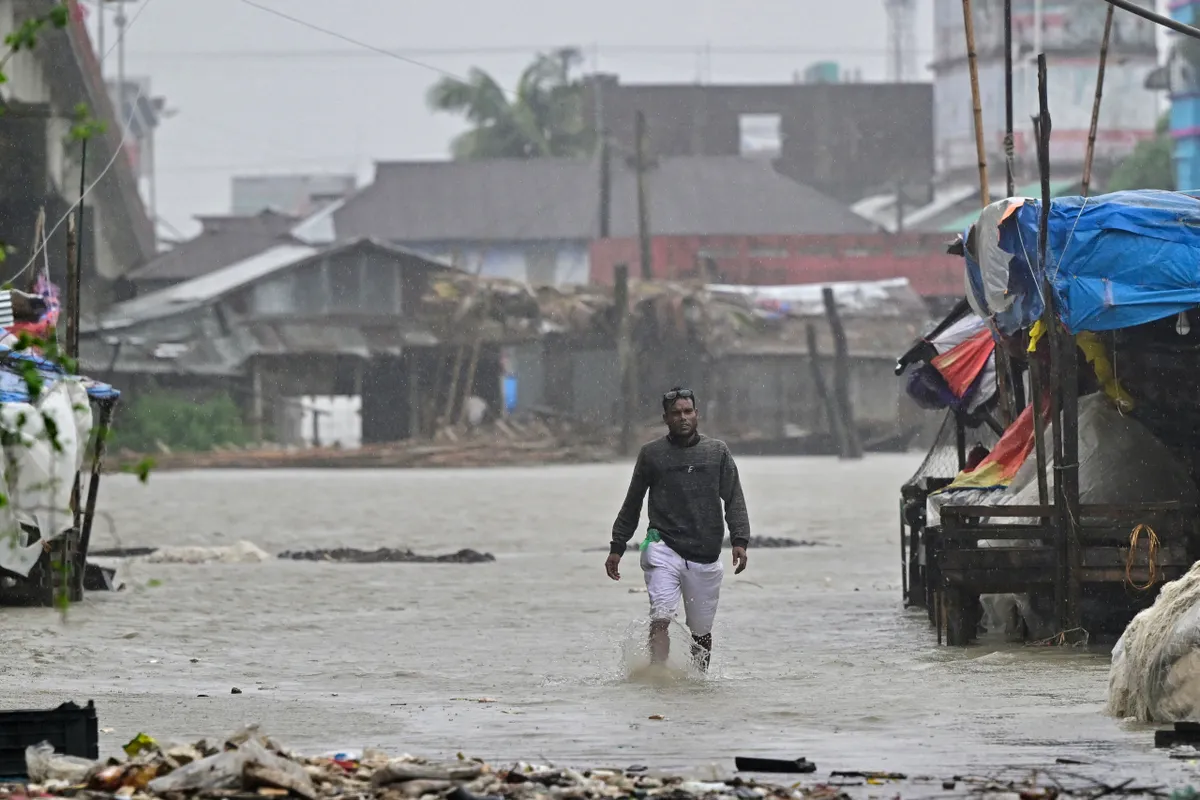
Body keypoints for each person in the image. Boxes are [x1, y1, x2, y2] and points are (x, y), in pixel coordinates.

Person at [604, 386, 750, 671]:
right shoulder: (652, 455)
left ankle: (698, 682)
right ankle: (659, 677)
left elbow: (734, 497)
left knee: (701, 631)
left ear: (697, 415)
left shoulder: (716, 452)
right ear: (665, 418)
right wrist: (617, 546)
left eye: (687, 412)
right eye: (676, 413)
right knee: (661, 616)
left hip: (705, 553)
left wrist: (740, 539)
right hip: (662, 547)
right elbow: (632, 502)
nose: (682, 418)